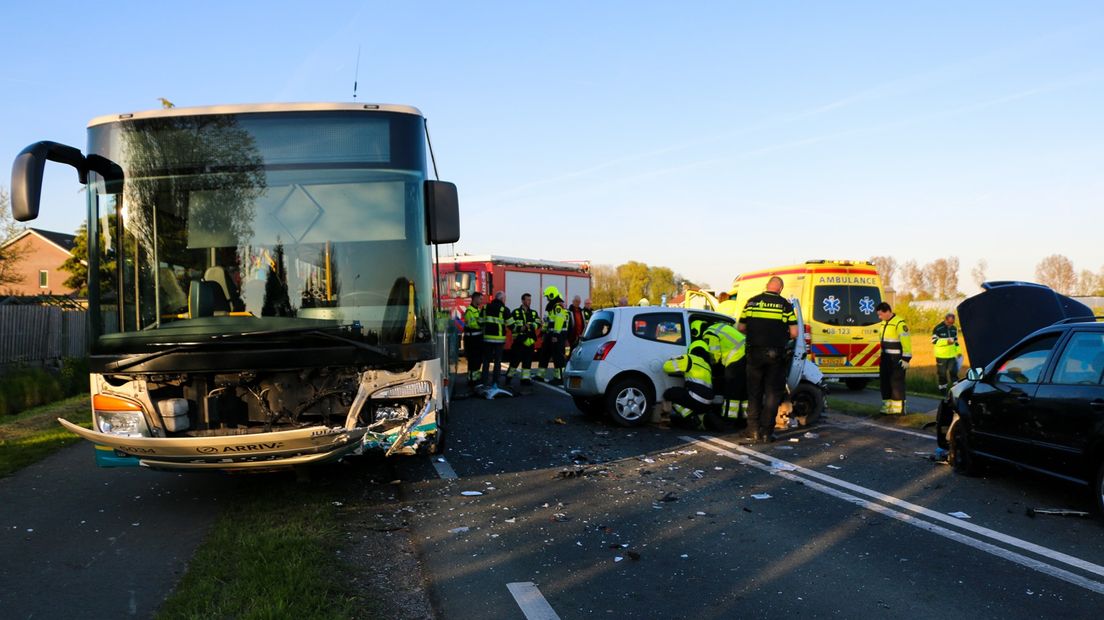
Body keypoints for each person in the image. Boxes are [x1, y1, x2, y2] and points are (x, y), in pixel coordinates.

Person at [738, 276, 797, 442]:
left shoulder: (751, 302)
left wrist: (756, 335)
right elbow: (794, 333)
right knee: (772, 393)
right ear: (780, 289)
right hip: (776, 355)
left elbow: (741, 327)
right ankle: (766, 433)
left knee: (754, 392)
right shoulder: (785, 305)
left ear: (767, 286)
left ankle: (753, 430)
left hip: (754, 352)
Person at [662, 339, 716, 431]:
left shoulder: (689, 358)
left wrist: (674, 359)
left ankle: (690, 417)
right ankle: (699, 417)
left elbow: (666, 367)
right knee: (685, 394)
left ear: (691, 349)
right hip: (708, 402)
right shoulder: (707, 365)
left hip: (696, 399)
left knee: (669, 393)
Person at [703, 319, 748, 424]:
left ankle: (729, 419)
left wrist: (710, 366)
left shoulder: (709, 333)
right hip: (748, 354)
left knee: (731, 391)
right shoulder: (722, 327)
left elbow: (715, 356)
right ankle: (745, 419)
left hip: (736, 358)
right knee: (744, 390)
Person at [876, 302, 912, 414]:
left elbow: (906, 342)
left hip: (897, 359)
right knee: (885, 382)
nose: (879, 317)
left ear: (887, 311)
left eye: (881, 314)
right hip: (885, 359)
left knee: (897, 384)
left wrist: (906, 359)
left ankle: (898, 409)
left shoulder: (899, 324)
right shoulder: (883, 323)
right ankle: (887, 407)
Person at [506, 292, 541, 387]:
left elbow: (538, 323)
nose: (529, 301)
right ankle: (508, 378)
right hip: (519, 342)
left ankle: (525, 379)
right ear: (522, 301)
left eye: (530, 300)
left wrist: (530, 326)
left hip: (529, 342)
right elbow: (510, 325)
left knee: (527, 362)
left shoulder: (533, 313)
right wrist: (520, 328)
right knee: (514, 362)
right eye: (527, 299)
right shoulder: (515, 312)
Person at [538, 287, 570, 384]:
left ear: (552, 295)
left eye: (548, 296)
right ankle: (540, 375)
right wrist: (543, 331)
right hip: (551, 334)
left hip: (558, 335)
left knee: (557, 356)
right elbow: (550, 321)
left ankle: (559, 378)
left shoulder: (558, 307)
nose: (547, 299)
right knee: (544, 354)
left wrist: (555, 334)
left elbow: (559, 321)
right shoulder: (552, 307)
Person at [481, 291, 510, 388]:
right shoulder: (504, 309)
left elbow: (480, 322)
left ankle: (484, 382)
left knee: (486, 361)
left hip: (487, 339)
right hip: (499, 340)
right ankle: (495, 383)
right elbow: (511, 324)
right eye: (505, 299)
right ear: (502, 299)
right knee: (497, 362)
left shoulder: (485, 307)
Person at [931, 313, 961, 393]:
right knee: (942, 374)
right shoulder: (938, 328)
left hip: (952, 355)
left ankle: (957, 389)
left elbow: (956, 342)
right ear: (945, 320)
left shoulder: (954, 328)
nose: (950, 325)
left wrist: (959, 352)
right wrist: (946, 341)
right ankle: (943, 389)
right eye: (949, 323)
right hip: (941, 356)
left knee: (953, 372)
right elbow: (934, 341)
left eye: (952, 323)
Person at [462, 292, 485, 393]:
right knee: (473, 360)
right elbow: (472, 324)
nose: (481, 301)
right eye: (480, 299)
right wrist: (482, 324)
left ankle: (475, 378)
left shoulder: (477, 310)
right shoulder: (469, 310)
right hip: (472, 340)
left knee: (477, 359)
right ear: (475, 299)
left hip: (477, 338)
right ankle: (471, 380)